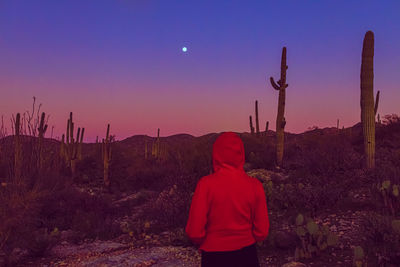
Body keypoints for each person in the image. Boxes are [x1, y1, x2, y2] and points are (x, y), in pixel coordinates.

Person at [185, 131, 270, 267]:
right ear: (241, 153)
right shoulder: (255, 185)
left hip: (214, 256)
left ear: (216, 154)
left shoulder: (205, 184)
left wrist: (206, 241)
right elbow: (262, 231)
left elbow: (194, 230)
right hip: (247, 254)